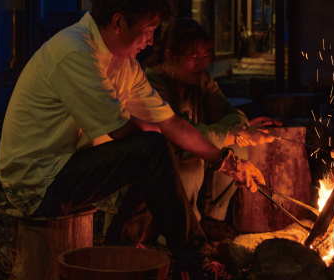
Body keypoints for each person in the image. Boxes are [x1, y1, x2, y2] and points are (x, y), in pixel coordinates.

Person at [0, 1, 261, 279]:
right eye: (149, 30)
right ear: (118, 22)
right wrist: (158, 152)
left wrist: (226, 162)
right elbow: (124, 132)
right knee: (152, 150)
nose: (151, 40)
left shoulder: (124, 65)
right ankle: (194, 262)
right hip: (36, 183)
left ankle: (124, 242)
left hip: (65, 167)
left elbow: (171, 124)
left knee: (158, 146)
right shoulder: (75, 51)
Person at [104, 18, 276, 245]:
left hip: (189, 150)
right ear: (169, 55)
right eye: (194, 57)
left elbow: (228, 112)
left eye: (206, 57)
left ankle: (210, 220)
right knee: (193, 166)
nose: (202, 64)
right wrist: (232, 133)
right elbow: (178, 130)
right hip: (158, 162)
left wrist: (238, 128)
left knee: (238, 150)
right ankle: (178, 232)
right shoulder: (151, 81)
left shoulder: (201, 83)